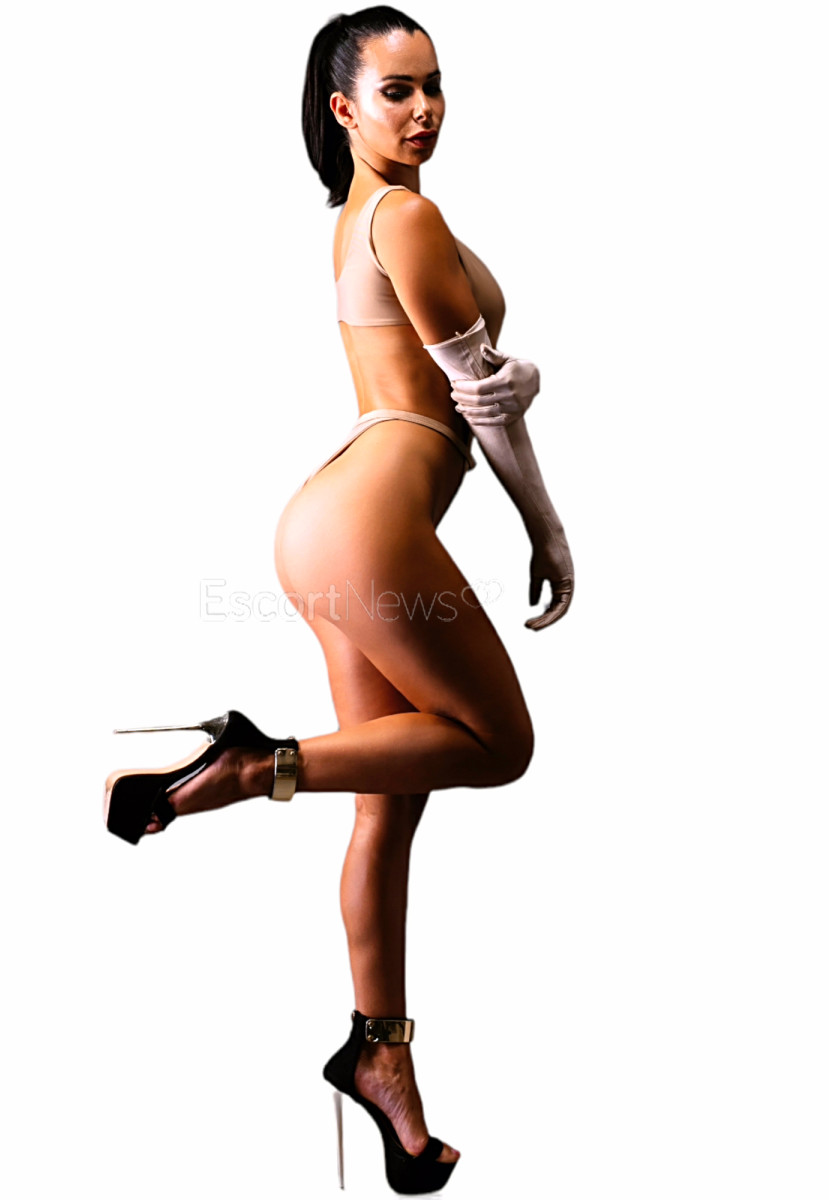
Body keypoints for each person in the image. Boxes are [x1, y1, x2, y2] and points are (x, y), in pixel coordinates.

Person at [104, 6, 573, 1193]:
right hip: (367, 527)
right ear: (343, 108)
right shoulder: (406, 217)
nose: (425, 109)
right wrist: (549, 529)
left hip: (327, 519)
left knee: (389, 804)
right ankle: (249, 765)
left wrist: (510, 377)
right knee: (501, 745)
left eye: (435, 85)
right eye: (397, 90)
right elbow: (481, 404)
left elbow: (469, 379)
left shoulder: (364, 215)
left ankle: (383, 1061)